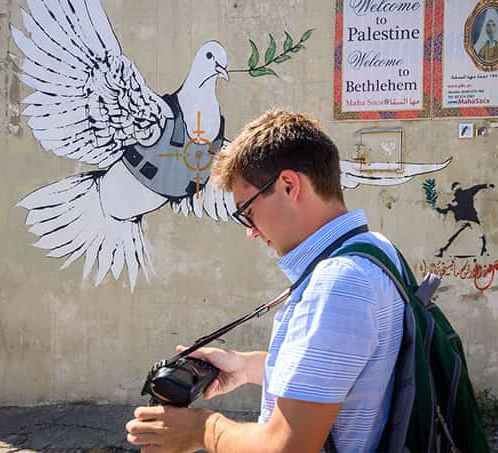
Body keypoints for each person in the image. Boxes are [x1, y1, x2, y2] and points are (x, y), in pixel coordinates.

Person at [126, 110, 406, 452]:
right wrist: (245, 367)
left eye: (247, 211)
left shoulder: (338, 285)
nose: (250, 231)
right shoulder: (377, 250)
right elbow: (344, 372)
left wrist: (204, 430)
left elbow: (287, 447)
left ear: (289, 186)